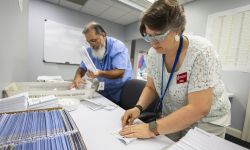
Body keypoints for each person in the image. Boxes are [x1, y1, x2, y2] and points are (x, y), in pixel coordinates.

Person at [119, 0, 231, 141]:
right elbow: (151, 87)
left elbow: (199, 108)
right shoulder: (154, 54)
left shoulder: (201, 50)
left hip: (205, 121)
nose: (153, 43)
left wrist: (150, 128)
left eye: (159, 36)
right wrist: (138, 108)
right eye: (148, 36)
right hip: (172, 115)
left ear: (177, 29)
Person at [71, 21, 133, 104]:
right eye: (89, 42)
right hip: (104, 89)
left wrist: (99, 73)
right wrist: (77, 77)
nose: (91, 45)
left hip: (120, 90)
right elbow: (82, 68)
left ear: (103, 35)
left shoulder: (117, 46)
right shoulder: (90, 50)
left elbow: (120, 72)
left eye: (93, 40)